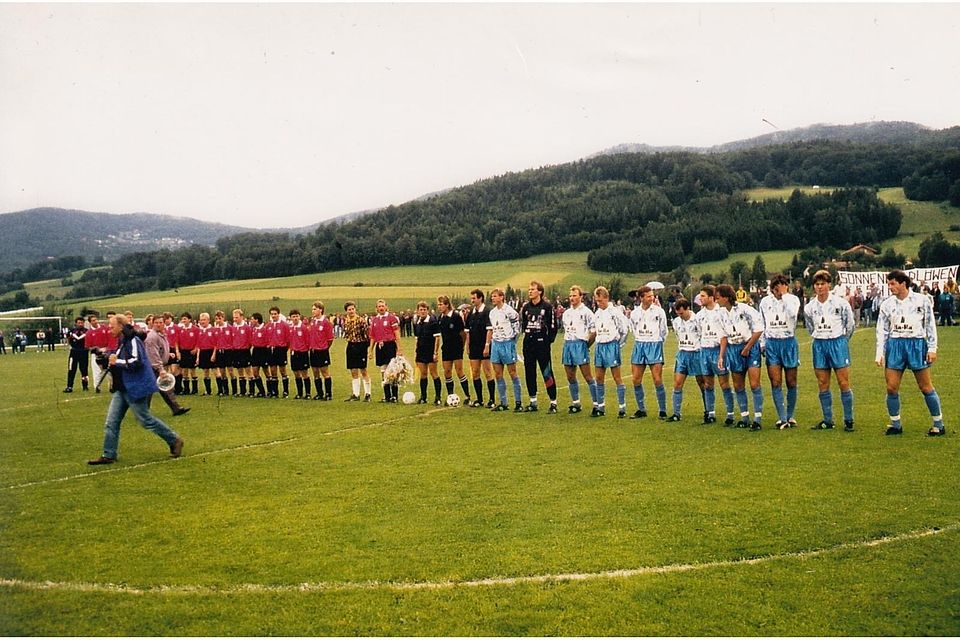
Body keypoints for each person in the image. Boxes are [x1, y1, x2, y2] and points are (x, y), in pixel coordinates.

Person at [87, 313, 184, 465]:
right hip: (123, 387)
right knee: (111, 421)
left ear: (121, 326)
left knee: (146, 420)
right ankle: (108, 454)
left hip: (134, 387)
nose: (109, 329)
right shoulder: (123, 340)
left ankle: (174, 439)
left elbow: (136, 361)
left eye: (112, 327)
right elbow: (118, 356)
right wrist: (104, 354)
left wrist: (115, 361)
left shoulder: (132, 340)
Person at [876, 270, 946, 436]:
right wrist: (880, 352)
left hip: (916, 344)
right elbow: (882, 330)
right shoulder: (887, 304)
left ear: (903, 283)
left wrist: (932, 348)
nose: (890, 287)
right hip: (895, 345)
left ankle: (938, 424)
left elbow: (930, 326)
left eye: (893, 283)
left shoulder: (922, 301)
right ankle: (896, 424)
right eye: (889, 283)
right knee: (891, 387)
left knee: (925, 386)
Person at [804, 270, 856, 431]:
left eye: (823, 284)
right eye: (817, 284)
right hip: (819, 345)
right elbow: (810, 327)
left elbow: (850, 325)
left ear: (829, 285)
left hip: (837, 343)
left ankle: (848, 420)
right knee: (822, 383)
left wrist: (841, 341)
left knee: (843, 382)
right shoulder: (809, 307)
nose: (820, 287)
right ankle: (828, 420)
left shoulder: (840, 303)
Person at [716, 284, 764, 430]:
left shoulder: (745, 309)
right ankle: (744, 418)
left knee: (754, 384)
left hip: (750, 347)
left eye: (718, 297)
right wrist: (721, 356)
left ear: (726, 297)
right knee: (738, 385)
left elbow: (759, 329)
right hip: (733, 349)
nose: (716, 300)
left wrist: (748, 347)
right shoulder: (720, 314)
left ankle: (757, 419)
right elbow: (723, 336)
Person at [759, 274, 802, 429]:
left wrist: (784, 296)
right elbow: (762, 323)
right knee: (775, 381)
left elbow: (792, 314)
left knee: (791, 381)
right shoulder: (765, 302)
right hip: (772, 344)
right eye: (775, 289)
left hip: (788, 342)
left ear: (786, 287)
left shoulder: (793, 300)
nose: (777, 292)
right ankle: (782, 417)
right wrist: (762, 343)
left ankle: (790, 416)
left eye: (780, 288)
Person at [628, 285, 668, 419]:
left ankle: (662, 410)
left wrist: (657, 341)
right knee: (636, 379)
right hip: (640, 345)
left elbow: (664, 330)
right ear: (641, 298)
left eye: (652, 296)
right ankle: (641, 409)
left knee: (657, 379)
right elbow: (633, 328)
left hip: (654, 345)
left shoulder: (659, 311)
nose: (652, 298)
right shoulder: (634, 313)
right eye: (649, 296)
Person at [696, 285, 733, 424]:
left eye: (703, 296)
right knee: (708, 384)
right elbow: (700, 332)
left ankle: (730, 414)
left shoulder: (722, 312)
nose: (700, 298)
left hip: (718, 350)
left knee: (724, 384)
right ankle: (710, 414)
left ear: (712, 297)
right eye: (700, 296)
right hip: (705, 351)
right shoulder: (699, 315)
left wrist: (722, 354)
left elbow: (726, 332)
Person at [520, 280, 558, 413]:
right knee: (529, 372)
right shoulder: (526, 307)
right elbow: (524, 325)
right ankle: (533, 401)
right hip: (528, 343)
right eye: (529, 289)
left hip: (542, 344)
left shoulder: (547, 307)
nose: (530, 291)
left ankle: (553, 402)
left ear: (540, 291)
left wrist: (547, 341)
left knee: (546, 372)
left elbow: (553, 326)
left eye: (533, 289)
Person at [592, 286, 630, 418]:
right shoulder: (596, 313)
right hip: (600, 346)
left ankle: (622, 408)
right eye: (597, 301)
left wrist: (618, 345)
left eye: (600, 300)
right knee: (599, 378)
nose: (598, 303)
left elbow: (624, 330)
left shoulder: (615, 312)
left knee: (617, 377)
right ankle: (600, 407)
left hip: (611, 346)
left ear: (606, 298)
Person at [666, 298, 706, 422]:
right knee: (677, 383)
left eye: (682, 313)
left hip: (696, 354)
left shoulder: (697, 320)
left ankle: (708, 411)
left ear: (687, 308)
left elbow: (702, 335)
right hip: (683, 354)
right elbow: (678, 335)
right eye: (678, 313)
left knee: (702, 383)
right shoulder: (677, 322)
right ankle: (676, 413)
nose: (680, 315)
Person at [144, 315, 190, 416]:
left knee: (165, 388)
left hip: (156, 366)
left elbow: (159, 349)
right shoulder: (152, 337)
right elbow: (153, 354)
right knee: (151, 389)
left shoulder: (161, 334)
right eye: (156, 323)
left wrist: (167, 354)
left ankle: (176, 408)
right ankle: (143, 412)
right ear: (152, 324)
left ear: (164, 324)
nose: (159, 324)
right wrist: (160, 369)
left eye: (161, 322)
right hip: (153, 367)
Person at [561, 285, 597, 414]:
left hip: (580, 344)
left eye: (574, 295)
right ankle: (576, 403)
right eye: (570, 296)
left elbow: (594, 331)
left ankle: (596, 404)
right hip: (568, 344)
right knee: (570, 376)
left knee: (587, 376)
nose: (572, 298)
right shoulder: (566, 313)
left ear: (581, 297)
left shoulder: (587, 312)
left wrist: (586, 344)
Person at [486, 288, 523, 412]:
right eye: (492, 296)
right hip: (496, 344)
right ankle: (503, 402)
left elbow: (517, 328)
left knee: (512, 373)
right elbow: (491, 329)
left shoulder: (510, 311)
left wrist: (512, 341)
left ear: (502, 297)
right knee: (498, 374)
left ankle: (518, 402)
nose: (493, 298)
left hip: (507, 343)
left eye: (495, 296)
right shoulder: (492, 313)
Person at [436, 295, 471, 405]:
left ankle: (467, 396)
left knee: (459, 371)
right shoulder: (441, 317)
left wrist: (462, 346)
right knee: (447, 372)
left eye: (441, 304)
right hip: (446, 348)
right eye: (438, 304)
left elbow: (463, 334)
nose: (439, 306)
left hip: (456, 348)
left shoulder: (456, 317)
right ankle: (450, 396)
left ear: (447, 305)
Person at [465, 289, 496, 408]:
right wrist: (467, 346)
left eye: (474, 298)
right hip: (474, 347)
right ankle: (479, 399)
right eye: (471, 298)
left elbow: (490, 330)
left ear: (480, 298)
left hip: (484, 347)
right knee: (475, 372)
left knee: (488, 372)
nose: (472, 300)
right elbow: (467, 332)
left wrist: (487, 345)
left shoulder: (487, 311)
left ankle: (492, 399)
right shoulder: (471, 313)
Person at [369, 299, 403, 403]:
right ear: (376, 308)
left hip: (390, 345)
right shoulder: (374, 320)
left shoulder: (391, 318)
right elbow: (373, 337)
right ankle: (387, 396)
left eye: (382, 306)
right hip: (380, 347)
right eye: (379, 306)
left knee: (393, 371)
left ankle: (395, 396)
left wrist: (399, 348)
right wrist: (370, 350)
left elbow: (397, 333)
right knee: (383, 371)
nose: (381, 308)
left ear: (386, 307)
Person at [412, 300, 443, 405]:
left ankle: (438, 397)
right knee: (423, 374)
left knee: (434, 373)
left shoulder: (433, 322)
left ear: (428, 311)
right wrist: (416, 352)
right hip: (421, 352)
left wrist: (435, 352)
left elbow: (437, 338)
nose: (423, 311)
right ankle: (423, 397)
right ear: (417, 311)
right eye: (421, 310)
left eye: (424, 310)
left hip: (430, 351)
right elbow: (417, 339)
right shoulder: (417, 323)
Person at [342, 301, 372, 401]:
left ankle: (368, 394)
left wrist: (365, 347)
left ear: (355, 309)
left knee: (363, 369)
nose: (351, 311)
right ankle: (356, 394)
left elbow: (367, 334)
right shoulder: (345, 321)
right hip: (351, 345)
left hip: (361, 345)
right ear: (346, 311)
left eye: (352, 309)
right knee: (353, 370)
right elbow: (346, 333)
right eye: (349, 309)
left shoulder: (361, 320)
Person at [308, 301, 335, 400]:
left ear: (321, 310)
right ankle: (319, 393)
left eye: (315, 309)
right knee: (315, 372)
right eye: (312, 309)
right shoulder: (313, 321)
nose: (313, 311)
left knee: (325, 372)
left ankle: (328, 394)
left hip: (322, 350)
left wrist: (324, 348)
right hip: (313, 350)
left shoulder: (326, 322)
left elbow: (330, 339)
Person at [266, 306, 290, 398]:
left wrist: (284, 349)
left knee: (283, 371)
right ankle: (275, 392)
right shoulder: (268, 326)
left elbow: (288, 340)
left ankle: (285, 391)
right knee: (273, 371)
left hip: (281, 349)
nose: (273, 316)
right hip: (271, 350)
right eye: (272, 314)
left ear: (278, 314)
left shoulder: (284, 325)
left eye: (275, 314)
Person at [288, 309, 312, 399]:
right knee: (296, 374)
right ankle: (299, 393)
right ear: (290, 318)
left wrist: (304, 349)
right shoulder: (290, 328)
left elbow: (308, 341)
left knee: (304, 373)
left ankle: (308, 393)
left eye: (297, 316)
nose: (295, 318)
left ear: (299, 316)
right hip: (294, 353)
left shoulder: (304, 328)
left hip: (303, 353)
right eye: (293, 316)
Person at [232, 308, 254, 397]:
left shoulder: (247, 328)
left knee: (248, 371)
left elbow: (250, 341)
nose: (235, 319)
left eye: (236, 317)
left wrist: (245, 348)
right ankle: (242, 391)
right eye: (234, 318)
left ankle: (251, 391)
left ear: (242, 317)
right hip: (236, 351)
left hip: (245, 351)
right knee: (240, 371)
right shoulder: (233, 328)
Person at [63, 317, 89, 392]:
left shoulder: (87, 331)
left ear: (84, 323)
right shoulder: (71, 331)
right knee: (71, 369)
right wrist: (70, 346)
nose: (80, 324)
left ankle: (85, 386)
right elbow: (68, 339)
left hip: (84, 352)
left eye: (82, 322)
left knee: (84, 370)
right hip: (74, 352)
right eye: (79, 323)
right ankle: (69, 386)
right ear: (76, 323)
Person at [196, 312, 219, 395]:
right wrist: (198, 357)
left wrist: (214, 354)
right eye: (201, 320)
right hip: (203, 352)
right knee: (205, 372)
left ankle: (220, 391)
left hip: (211, 351)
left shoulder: (213, 330)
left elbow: (216, 344)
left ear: (208, 320)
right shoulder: (199, 331)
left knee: (216, 371)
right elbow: (199, 345)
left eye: (204, 320)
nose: (202, 322)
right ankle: (208, 391)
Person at [177, 313, 200, 395]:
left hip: (192, 352)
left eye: (185, 319)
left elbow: (199, 340)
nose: (183, 320)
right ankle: (186, 389)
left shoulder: (195, 329)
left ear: (189, 319)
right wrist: (178, 351)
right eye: (182, 319)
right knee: (184, 371)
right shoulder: (180, 329)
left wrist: (196, 348)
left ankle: (195, 390)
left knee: (192, 371)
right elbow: (177, 341)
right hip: (183, 352)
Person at [213, 310, 233, 396]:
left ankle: (235, 390)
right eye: (216, 319)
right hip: (219, 351)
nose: (218, 320)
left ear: (223, 318)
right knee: (222, 372)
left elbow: (233, 340)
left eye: (219, 318)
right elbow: (215, 343)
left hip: (228, 352)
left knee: (231, 371)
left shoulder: (230, 328)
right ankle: (226, 390)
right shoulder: (215, 329)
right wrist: (214, 353)